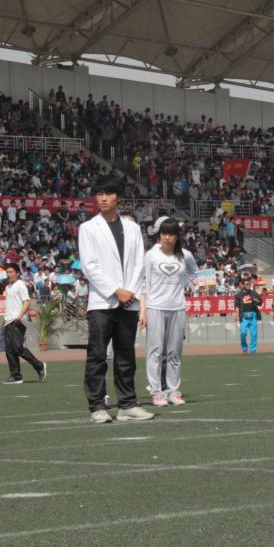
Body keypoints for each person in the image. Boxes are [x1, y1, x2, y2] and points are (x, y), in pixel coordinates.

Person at [78, 177, 153, 423]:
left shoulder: (132, 228)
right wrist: (116, 290)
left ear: (117, 197)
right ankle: (97, 406)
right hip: (102, 301)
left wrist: (128, 291)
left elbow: (139, 264)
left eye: (108, 193)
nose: (103, 198)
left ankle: (127, 404)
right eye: (99, 194)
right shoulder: (88, 228)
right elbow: (89, 266)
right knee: (98, 355)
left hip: (128, 302)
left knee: (125, 355)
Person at [139, 218, 198, 404]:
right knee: (155, 351)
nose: (167, 238)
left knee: (174, 352)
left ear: (177, 236)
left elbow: (194, 273)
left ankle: (173, 390)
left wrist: (182, 284)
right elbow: (143, 282)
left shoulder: (185, 255)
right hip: (155, 307)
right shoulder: (151, 255)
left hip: (177, 307)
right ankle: (156, 391)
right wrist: (143, 310)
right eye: (164, 233)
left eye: (171, 234)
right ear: (159, 235)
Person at [1, 263, 47, 386]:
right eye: (7, 272)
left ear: (17, 273)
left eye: (11, 272)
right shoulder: (8, 287)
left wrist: (20, 316)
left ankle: (39, 365)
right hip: (8, 320)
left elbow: (26, 301)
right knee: (9, 350)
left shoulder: (20, 285)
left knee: (17, 347)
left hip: (17, 320)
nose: (9, 274)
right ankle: (15, 376)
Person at [234, 277, 262, 354]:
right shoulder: (239, 295)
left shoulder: (253, 293)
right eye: (247, 284)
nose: (248, 285)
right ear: (242, 285)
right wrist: (237, 316)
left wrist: (257, 301)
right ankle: (244, 348)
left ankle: (253, 349)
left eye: (249, 284)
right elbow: (237, 306)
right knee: (243, 333)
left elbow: (260, 302)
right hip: (243, 316)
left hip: (253, 315)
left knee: (254, 334)